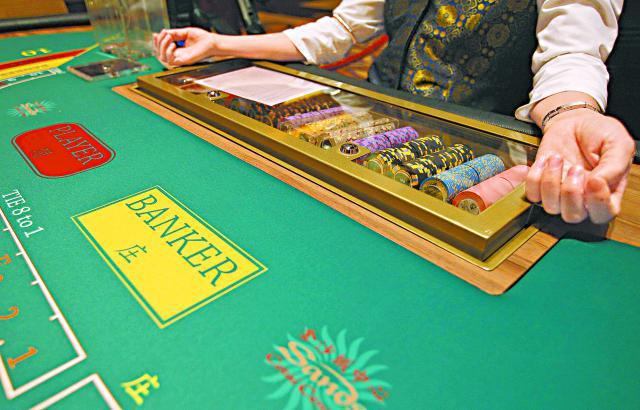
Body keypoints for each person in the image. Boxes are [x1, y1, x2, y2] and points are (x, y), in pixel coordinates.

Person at [153, 0, 635, 225]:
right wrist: (220, 43)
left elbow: (570, 53)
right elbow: (340, 31)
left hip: (476, 151)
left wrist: (571, 113)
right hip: (373, 130)